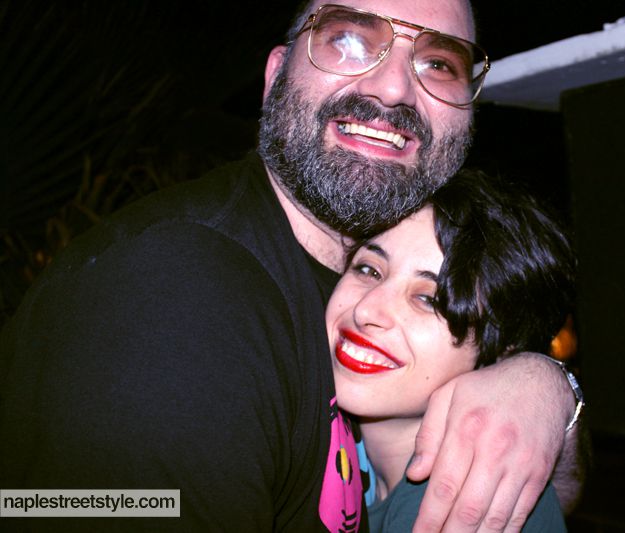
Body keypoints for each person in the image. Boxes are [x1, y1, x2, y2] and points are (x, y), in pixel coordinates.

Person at [0, 0, 583, 531]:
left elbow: (526, 498)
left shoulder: (347, 292)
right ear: (276, 75)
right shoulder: (175, 303)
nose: (393, 88)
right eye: (349, 40)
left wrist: (547, 387)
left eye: (438, 64)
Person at [327, 169, 576, 532]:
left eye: (428, 299)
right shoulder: (333, 449)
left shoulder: (459, 506)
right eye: (369, 269)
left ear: (499, 347)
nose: (367, 310)